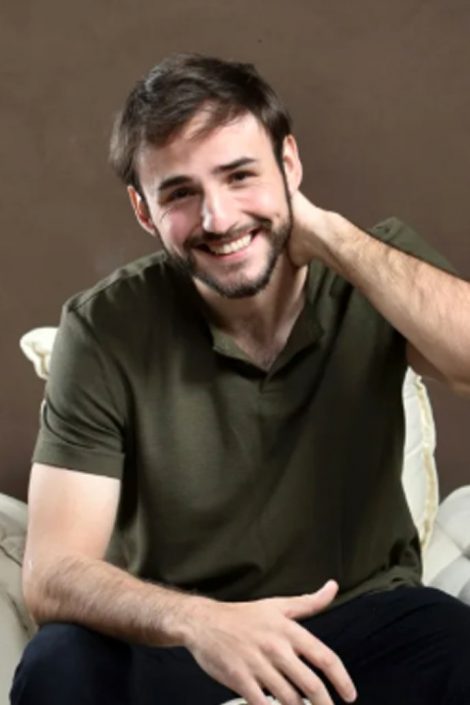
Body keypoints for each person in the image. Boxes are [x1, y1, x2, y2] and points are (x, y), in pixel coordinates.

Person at [11, 53, 470, 705]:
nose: (219, 218)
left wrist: (331, 237)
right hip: (183, 637)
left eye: (239, 176)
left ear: (289, 164)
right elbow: (52, 573)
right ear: (143, 210)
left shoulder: (374, 268)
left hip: (360, 621)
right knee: (58, 664)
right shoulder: (104, 326)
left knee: (459, 643)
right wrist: (199, 621)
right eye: (180, 193)